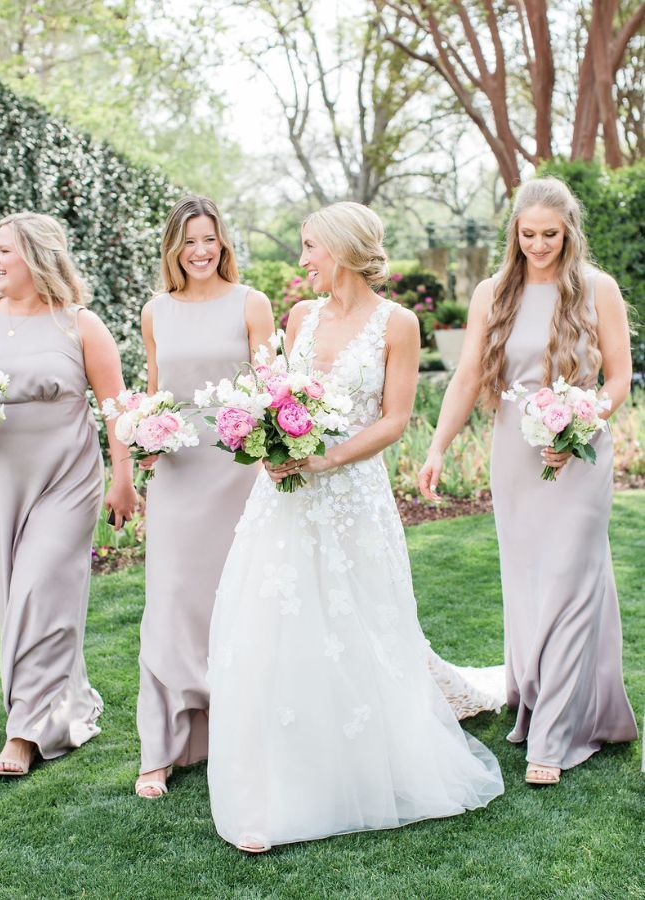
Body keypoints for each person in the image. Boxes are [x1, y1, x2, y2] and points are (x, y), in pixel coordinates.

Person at [206, 201, 504, 852]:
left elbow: (395, 417)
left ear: (339, 250)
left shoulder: (398, 324)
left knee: (362, 622)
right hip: (287, 496)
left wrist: (330, 459)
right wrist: (273, 446)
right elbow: (285, 399)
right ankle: (283, 771)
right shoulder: (299, 318)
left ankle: (370, 761)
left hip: (355, 496)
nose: (303, 258)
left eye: (310, 246)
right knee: (277, 620)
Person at [418, 177, 637, 785]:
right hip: (515, 453)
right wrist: (437, 446)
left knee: (571, 579)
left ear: (569, 231)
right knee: (529, 582)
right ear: (513, 232)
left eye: (551, 234)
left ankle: (556, 737)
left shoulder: (599, 289)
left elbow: (617, 377)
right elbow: (466, 378)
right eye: (528, 234)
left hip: (580, 454)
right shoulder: (495, 291)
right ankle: (538, 695)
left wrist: (582, 422)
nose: (539, 245)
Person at [0, 213, 139, 776]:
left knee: (41, 589)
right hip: (0, 478)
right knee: (16, 595)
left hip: (68, 478)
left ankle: (23, 730)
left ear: (37, 258)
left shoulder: (80, 325)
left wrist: (124, 477)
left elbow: (113, 407)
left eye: (4, 252)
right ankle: (58, 702)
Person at [133, 197, 273, 798]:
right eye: (189, 241)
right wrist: (141, 440)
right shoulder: (155, 311)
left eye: (209, 239)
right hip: (178, 472)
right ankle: (160, 748)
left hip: (238, 470)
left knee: (237, 596)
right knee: (170, 600)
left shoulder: (252, 303)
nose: (200, 251)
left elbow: (272, 388)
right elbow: (153, 391)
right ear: (173, 247)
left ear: (223, 243)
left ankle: (239, 729)